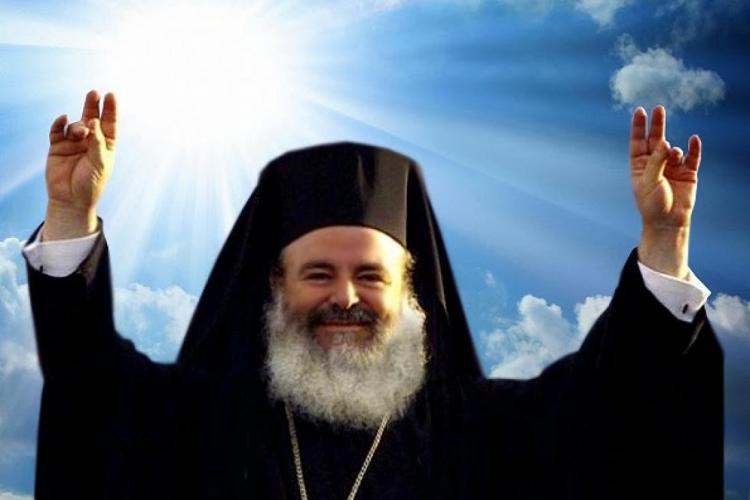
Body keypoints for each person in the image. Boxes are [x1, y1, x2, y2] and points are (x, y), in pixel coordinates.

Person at [23, 90, 722, 499]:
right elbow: (90, 381)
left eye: (371, 276)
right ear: (276, 283)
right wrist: (70, 216)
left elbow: (614, 399)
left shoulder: (475, 431)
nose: (345, 297)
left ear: (409, 289)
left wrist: (663, 243)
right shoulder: (201, 419)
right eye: (318, 274)